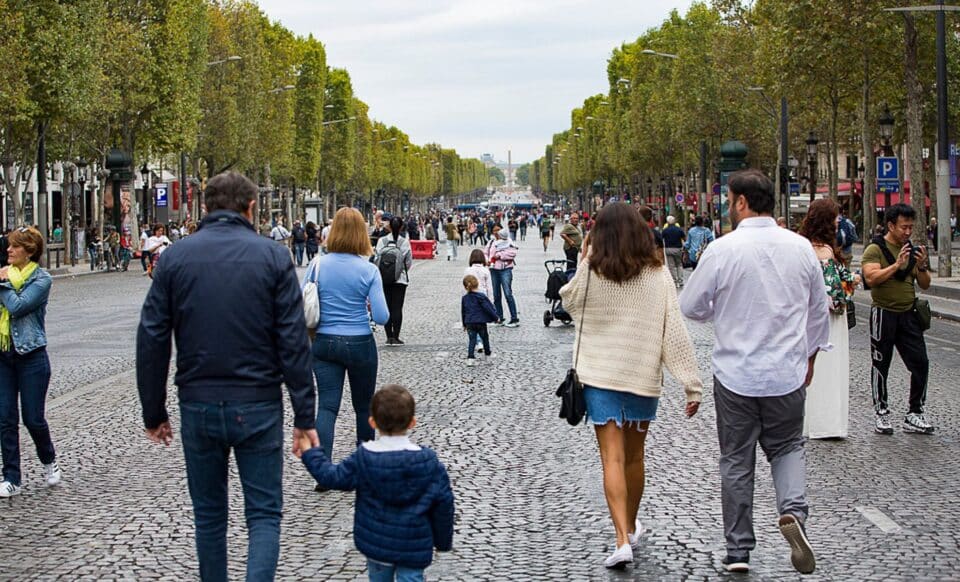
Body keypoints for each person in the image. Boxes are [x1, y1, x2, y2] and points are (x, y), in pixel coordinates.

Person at [136, 172, 319, 581]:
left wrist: (154, 410)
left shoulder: (176, 258)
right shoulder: (273, 257)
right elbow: (292, 342)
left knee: (209, 516)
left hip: (198, 400)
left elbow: (152, 336)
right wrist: (304, 416)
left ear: (205, 207)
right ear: (251, 208)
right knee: (264, 514)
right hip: (257, 401)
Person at [679, 169, 829, 575]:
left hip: (736, 375)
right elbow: (819, 312)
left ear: (742, 202)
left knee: (736, 460)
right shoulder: (801, 249)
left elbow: (690, 305)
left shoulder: (722, 249)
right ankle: (793, 511)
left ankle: (739, 551)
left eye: (730, 200)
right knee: (787, 448)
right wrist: (811, 356)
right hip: (786, 372)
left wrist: (719, 309)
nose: (728, 207)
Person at [558, 203, 702, 569]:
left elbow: (568, 302)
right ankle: (632, 527)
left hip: (600, 376)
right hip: (641, 376)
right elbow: (675, 332)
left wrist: (584, 257)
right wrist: (691, 383)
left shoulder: (592, 270)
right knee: (636, 458)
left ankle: (621, 537)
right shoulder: (658, 275)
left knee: (612, 459)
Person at [299, 385, 455, 582]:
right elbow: (444, 505)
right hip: (414, 543)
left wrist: (310, 453)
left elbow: (331, 477)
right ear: (413, 422)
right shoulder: (429, 462)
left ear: (372, 422)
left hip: (376, 543)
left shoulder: (364, 458)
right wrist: (442, 542)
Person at [861, 203, 934, 435]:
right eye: (904, 227)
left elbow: (925, 284)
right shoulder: (875, 249)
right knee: (881, 363)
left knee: (921, 363)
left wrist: (921, 266)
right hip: (884, 314)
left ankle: (915, 413)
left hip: (908, 315)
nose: (908, 232)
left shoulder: (911, 249)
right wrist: (896, 265)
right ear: (891, 225)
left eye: (911, 227)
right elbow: (871, 278)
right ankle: (881, 412)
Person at [0, 227, 61, 498]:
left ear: (30, 251)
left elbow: (18, 306)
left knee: (33, 419)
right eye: (9, 246)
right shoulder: (4, 274)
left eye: (15, 247)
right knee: (5, 418)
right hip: (3, 355)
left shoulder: (41, 279)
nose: (9, 251)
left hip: (32, 356)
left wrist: (1, 284)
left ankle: (49, 459)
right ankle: (11, 477)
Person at [799, 199, 858, 439]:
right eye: (834, 218)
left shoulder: (807, 246)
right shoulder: (820, 249)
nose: (838, 222)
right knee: (827, 368)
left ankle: (816, 421)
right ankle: (825, 423)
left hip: (815, 315)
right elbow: (836, 284)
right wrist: (849, 283)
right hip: (826, 316)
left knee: (822, 368)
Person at [375, 216, 414, 346]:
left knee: (386, 306)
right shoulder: (404, 242)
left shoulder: (382, 241)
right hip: (400, 280)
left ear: (389, 227)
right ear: (402, 227)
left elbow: (377, 258)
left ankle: (388, 336)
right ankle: (396, 336)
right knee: (397, 308)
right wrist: (400, 270)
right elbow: (408, 262)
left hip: (384, 279)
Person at [461, 275, 499, 366]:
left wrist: (464, 324)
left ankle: (470, 358)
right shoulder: (481, 296)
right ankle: (488, 356)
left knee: (472, 340)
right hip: (481, 322)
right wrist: (496, 318)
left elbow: (463, 312)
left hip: (470, 322)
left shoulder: (465, 298)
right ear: (477, 284)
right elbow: (488, 308)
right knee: (485, 339)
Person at [485, 227, 519, 327]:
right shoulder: (491, 242)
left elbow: (512, 253)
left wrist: (499, 255)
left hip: (505, 270)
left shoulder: (509, 242)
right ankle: (499, 317)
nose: (496, 232)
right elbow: (485, 252)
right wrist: (487, 259)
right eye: (494, 230)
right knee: (496, 295)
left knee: (508, 293)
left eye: (498, 230)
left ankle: (514, 318)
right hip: (493, 269)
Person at [661, 216, 685, 288]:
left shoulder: (665, 230)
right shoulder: (679, 229)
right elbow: (684, 237)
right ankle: (680, 280)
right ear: (674, 221)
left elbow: (661, 238)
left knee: (671, 266)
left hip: (668, 249)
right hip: (678, 248)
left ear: (667, 222)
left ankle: (674, 281)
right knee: (679, 264)